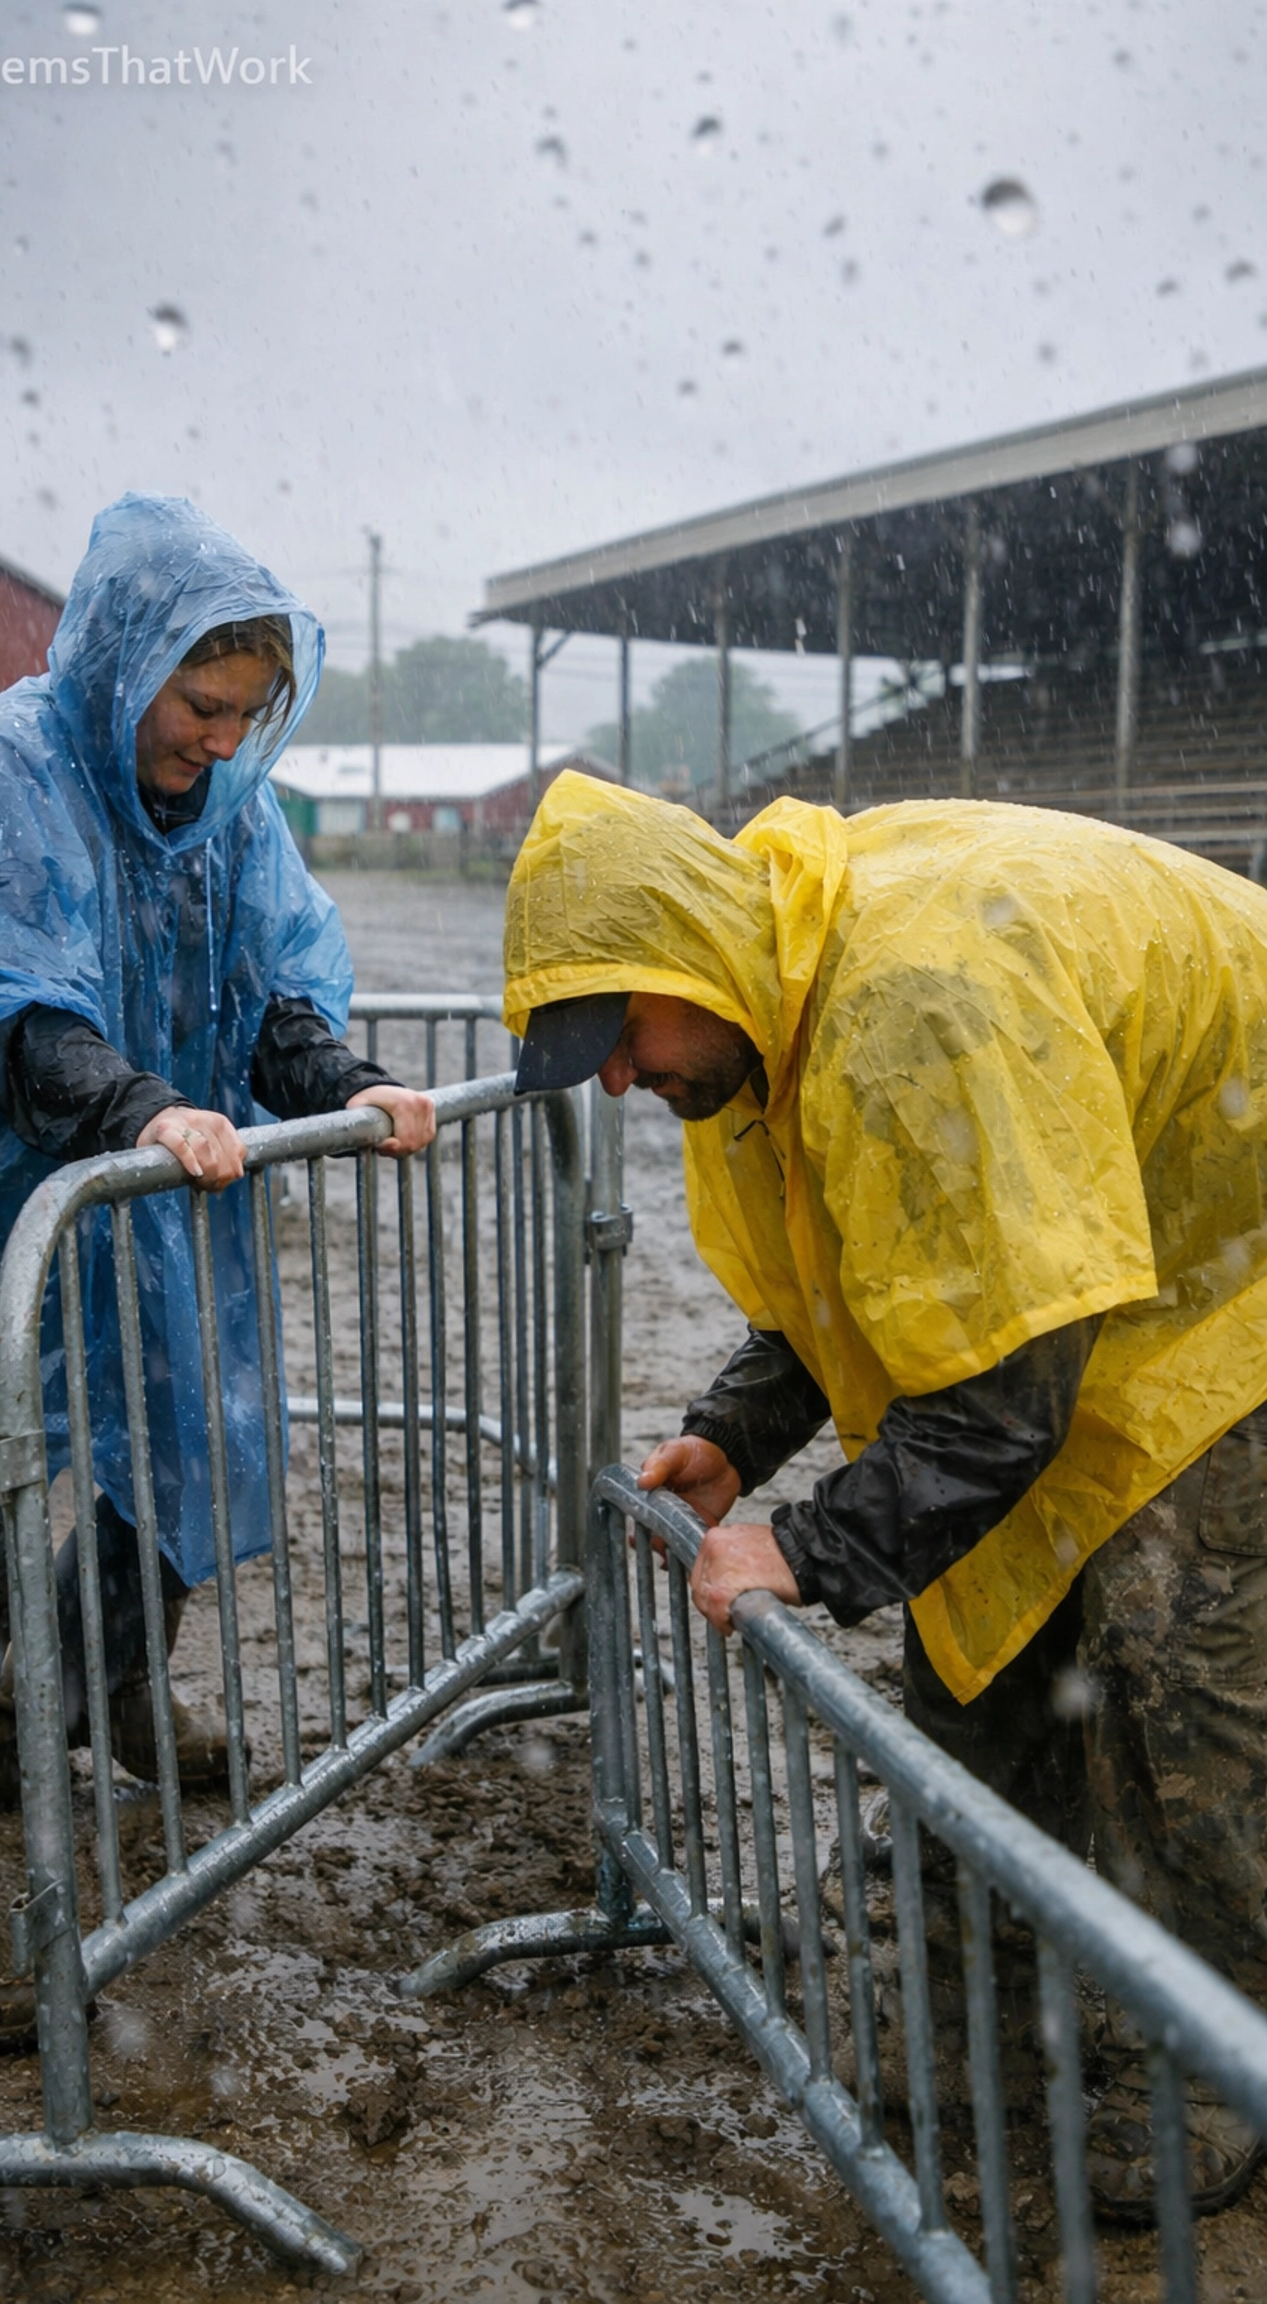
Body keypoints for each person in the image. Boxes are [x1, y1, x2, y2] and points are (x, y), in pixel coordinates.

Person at [504, 769, 1267, 2222]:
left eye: (622, 1034)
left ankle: (1203, 2074)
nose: (617, 1078)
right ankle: (988, 2011)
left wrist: (806, 1544)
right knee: (989, 1619)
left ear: (688, 961)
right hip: (1105, 1254)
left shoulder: (915, 1004)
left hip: (1236, 1254)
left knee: (1182, 1675)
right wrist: (742, 1431)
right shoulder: (760, 1015)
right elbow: (852, 1270)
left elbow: (1007, 1396)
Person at [0, 495, 434, 2050]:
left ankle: (75, 1703)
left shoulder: (225, 813)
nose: (220, 741)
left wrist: (348, 1079)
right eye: (199, 706)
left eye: (250, 714)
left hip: (71, 1197)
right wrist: (136, 1110)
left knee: (164, 1449)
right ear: (126, 666)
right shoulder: (3, 771)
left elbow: (263, 999)